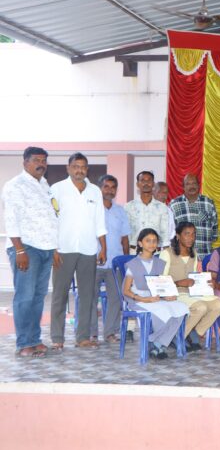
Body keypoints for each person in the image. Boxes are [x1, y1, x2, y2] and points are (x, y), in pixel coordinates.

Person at [2, 147, 58, 357]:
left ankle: (34, 339)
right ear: (25, 162)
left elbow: (52, 218)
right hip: (26, 248)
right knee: (25, 297)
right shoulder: (15, 185)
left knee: (38, 297)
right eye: (36, 160)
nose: (41, 164)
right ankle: (24, 343)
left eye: (44, 160)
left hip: (45, 248)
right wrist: (19, 250)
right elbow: (11, 219)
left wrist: (54, 248)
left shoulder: (44, 185)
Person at [50, 153, 107, 350]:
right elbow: (51, 221)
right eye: (75, 166)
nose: (79, 170)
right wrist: (53, 249)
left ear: (87, 169)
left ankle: (82, 337)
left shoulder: (95, 191)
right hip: (63, 249)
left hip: (88, 249)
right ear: (68, 168)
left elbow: (100, 221)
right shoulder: (57, 189)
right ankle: (57, 338)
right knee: (60, 295)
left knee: (87, 295)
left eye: (83, 167)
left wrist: (103, 247)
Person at [122, 228, 189, 360]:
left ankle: (156, 342)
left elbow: (160, 285)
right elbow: (126, 291)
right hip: (138, 300)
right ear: (140, 243)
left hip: (155, 298)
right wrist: (144, 299)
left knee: (180, 308)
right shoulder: (133, 264)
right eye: (148, 241)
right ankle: (157, 346)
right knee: (162, 312)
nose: (151, 244)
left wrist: (167, 295)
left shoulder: (159, 263)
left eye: (154, 241)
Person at [159, 221, 220, 352]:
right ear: (178, 236)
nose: (191, 238)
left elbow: (193, 278)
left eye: (193, 234)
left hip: (190, 293)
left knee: (219, 305)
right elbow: (160, 282)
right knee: (200, 307)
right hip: (174, 294)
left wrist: (204, 283)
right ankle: (177, 337)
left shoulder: (193, 253)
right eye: (187, 234)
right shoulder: (167, 253)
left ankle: (195, 333)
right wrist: (179, 283)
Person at [94, 174, 130, 344]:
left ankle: (110, 333)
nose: (109, 190)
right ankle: (91, 333)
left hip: (115, 262)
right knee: (91, 298)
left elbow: (125, 238)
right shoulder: (92, 209)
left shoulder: (120, 211)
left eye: (113, 187)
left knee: (116, 298)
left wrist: (125, 262)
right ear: (99, 188)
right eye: (106, 186)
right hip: (93, 261)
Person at [169, 173, 218, 256]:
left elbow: (214, 230)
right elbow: (170, 232)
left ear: (198, 185)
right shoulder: (174, 205)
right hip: (182, 256)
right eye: (188, 184)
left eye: (194, 183)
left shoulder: (208, 203)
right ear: (183, 187)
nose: (191, 186)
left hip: (205, 254)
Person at [125, 170, 170, 249]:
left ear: (153, 184)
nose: (146, 183)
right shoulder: (129, 207)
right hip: (134, 251)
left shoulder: (162, 207)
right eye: (142, 180)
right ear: (137, 184)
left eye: (149, 180)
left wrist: (166, 252)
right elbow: (125, 233)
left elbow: (165, 233)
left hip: (156, 251)